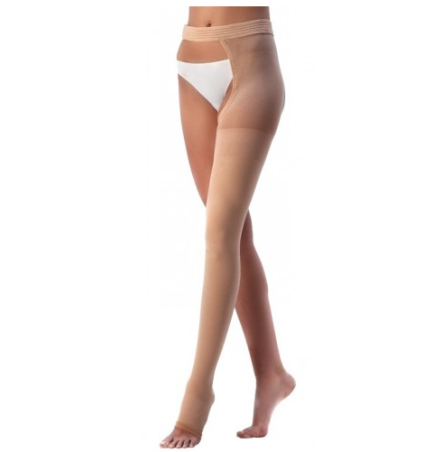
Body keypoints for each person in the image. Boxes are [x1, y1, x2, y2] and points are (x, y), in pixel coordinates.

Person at [160, 7, 296, 448]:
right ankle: (271, 373)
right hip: (191, 60)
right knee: (233, 232)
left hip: (251, 66)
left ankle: (197, 398)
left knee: (220, 235)